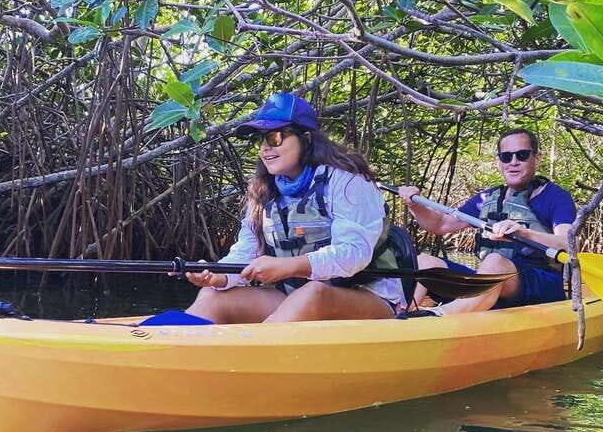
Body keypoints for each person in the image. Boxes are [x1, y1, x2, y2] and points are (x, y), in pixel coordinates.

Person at [184, 92, 405, 323]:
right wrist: (217, 276)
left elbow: (353, 254)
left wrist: (289, 266)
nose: (264, 148)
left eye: (275, 138)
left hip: (370, 299)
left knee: (313, 293)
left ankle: (255, 351)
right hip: (296, 298)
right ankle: (174, 351)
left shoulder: (347, 180)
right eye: (259, 140)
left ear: (306, 138)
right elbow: (245, 253)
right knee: (211, 296)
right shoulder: (263, 190)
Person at [398, 128, 576, 315]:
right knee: (424, 262)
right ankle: (402, 314)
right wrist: (415, 206)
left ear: (536, 158)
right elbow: (441, 224)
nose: (513, 162)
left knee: (494, 262)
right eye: (506, 157)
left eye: (522, 155)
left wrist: (524, 233)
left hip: (540, 284)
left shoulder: (556, 197)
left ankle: (438, 316)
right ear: (499, 161)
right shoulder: (487, 198)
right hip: (491, 281)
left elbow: (570, 243)